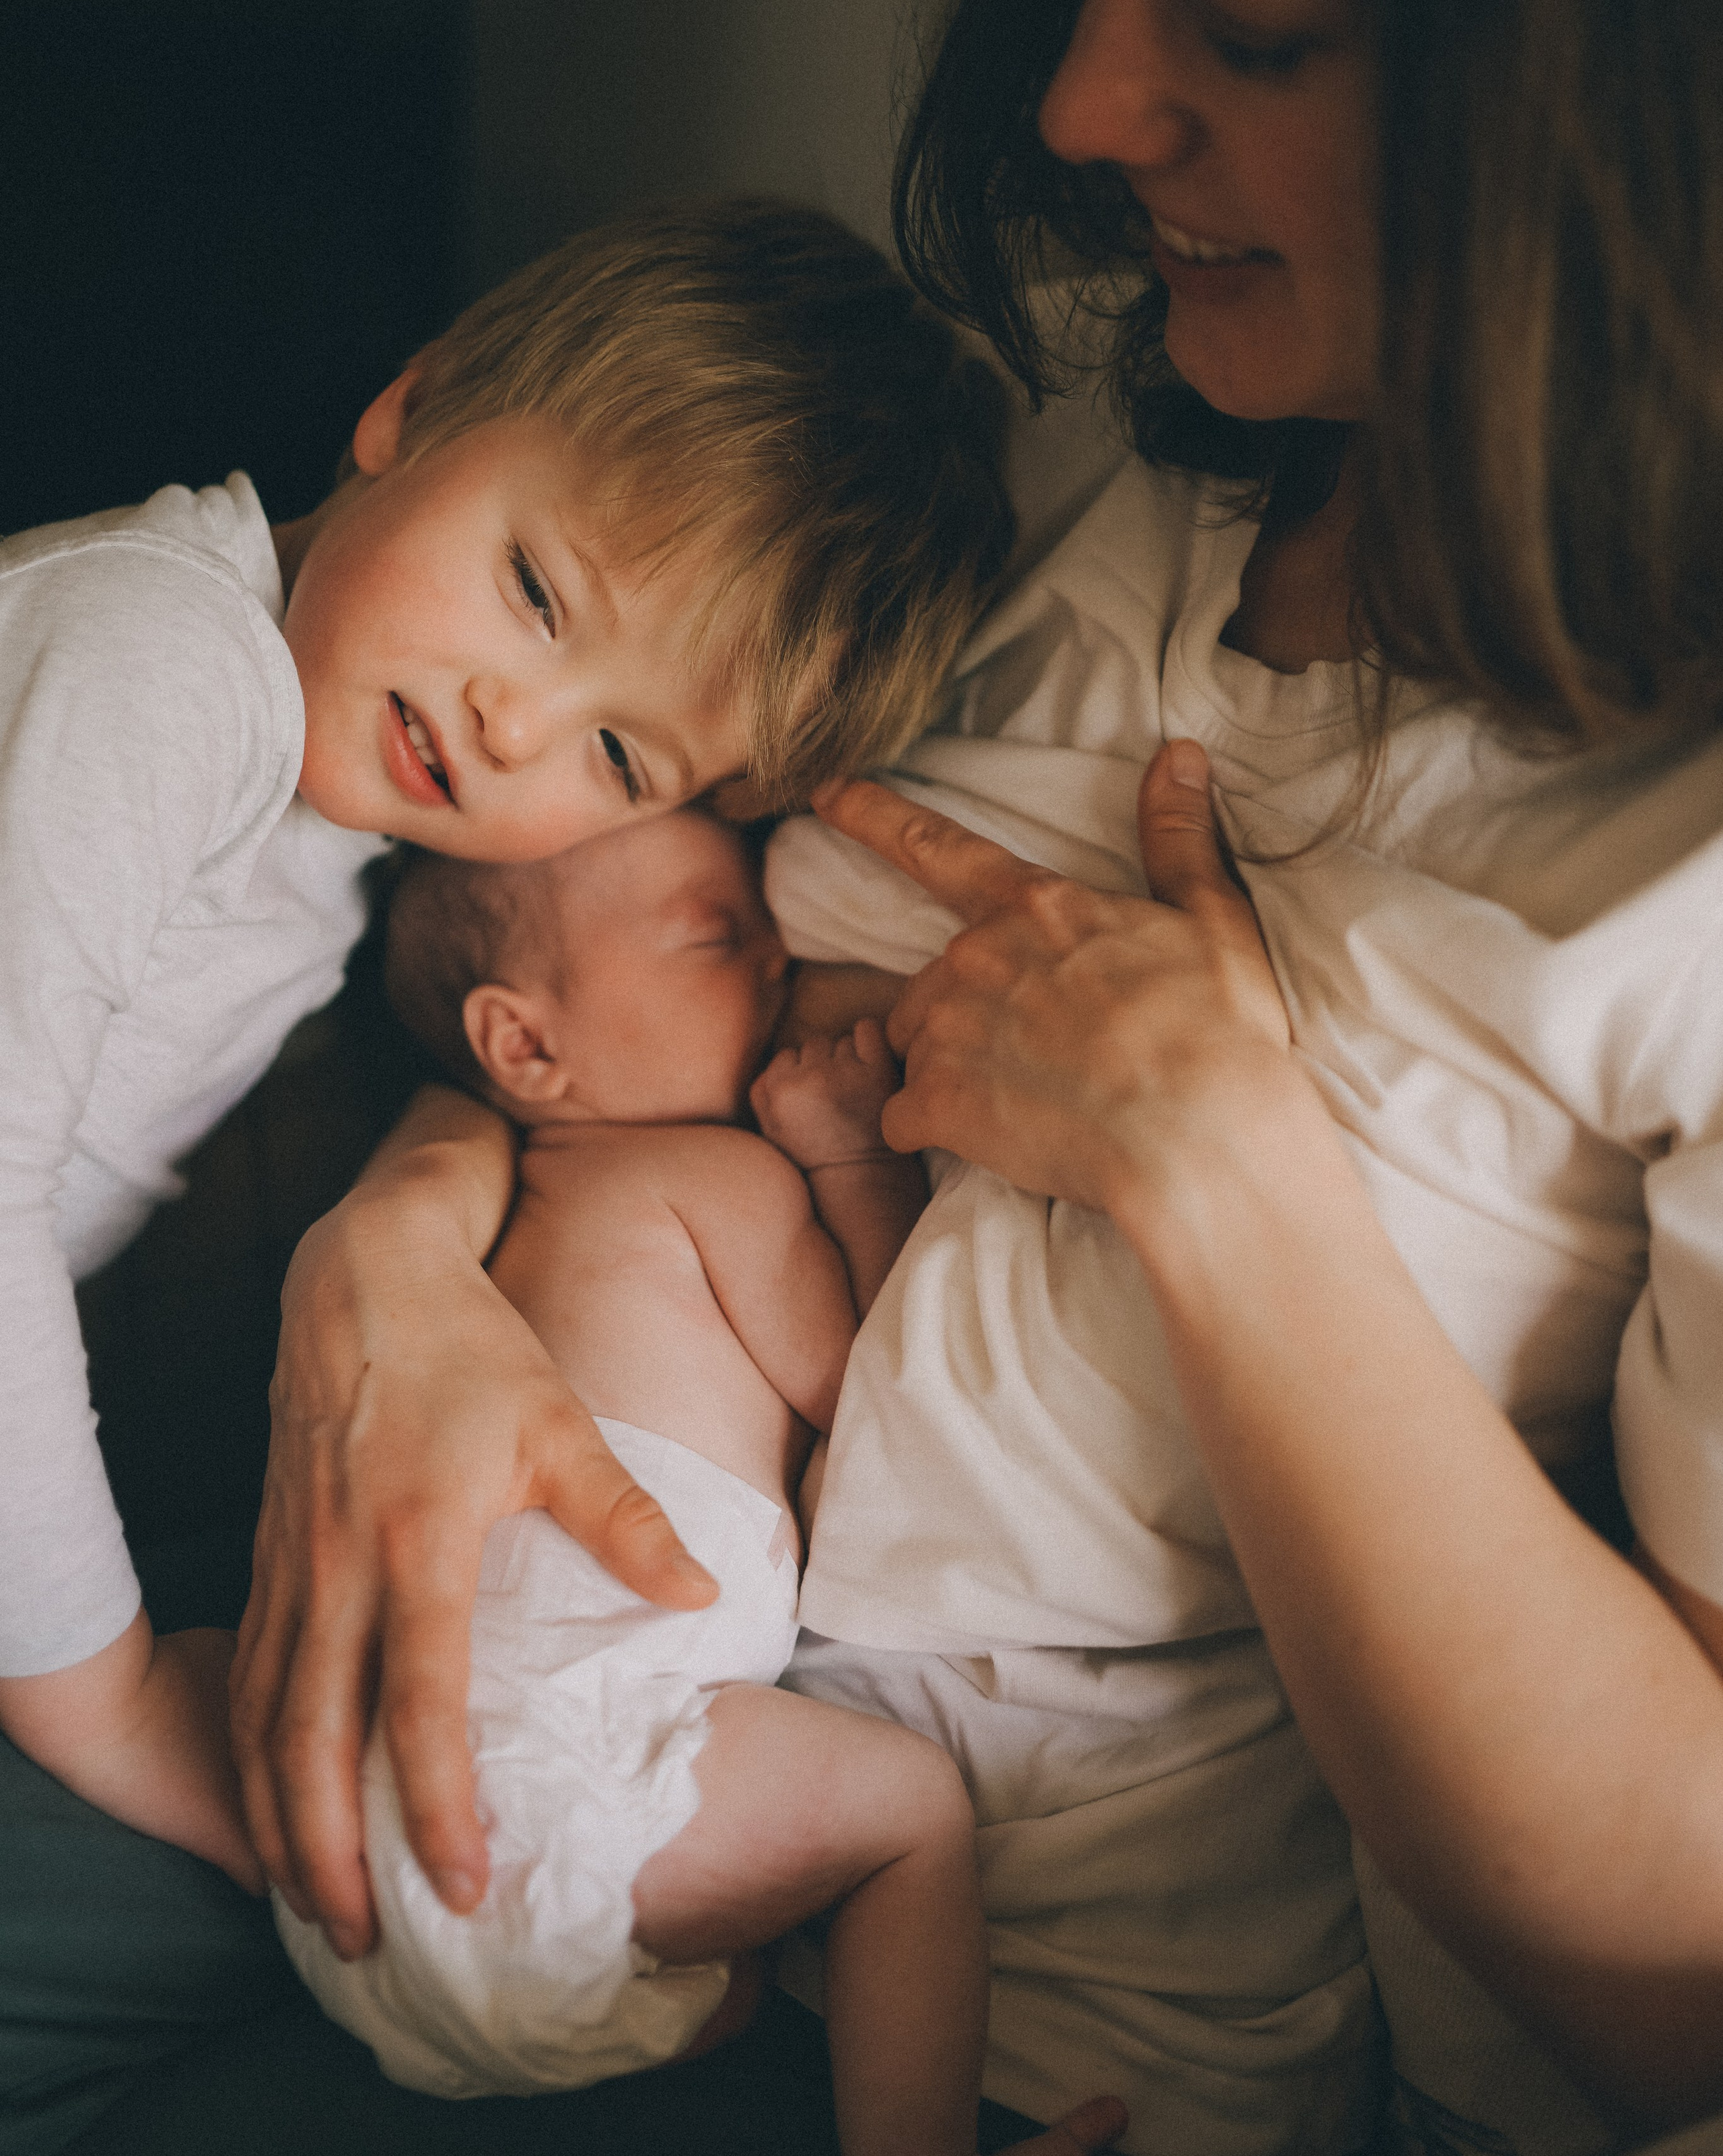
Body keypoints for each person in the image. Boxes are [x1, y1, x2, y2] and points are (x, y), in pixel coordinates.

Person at [175, 2, 1723, 2153]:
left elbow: (1691, 1986)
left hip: (1036, 2030)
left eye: (1256, 37)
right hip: (586, 1738)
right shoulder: (1085, 464)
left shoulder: (1684, 866)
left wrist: (1219, 1162)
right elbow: (574, 933)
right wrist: (410, 1246)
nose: (1085, 112)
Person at [0, 200, 1010, 2156]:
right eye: (540, 592)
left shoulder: (319, 788)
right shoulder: (159, 666)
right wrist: (107, 1697)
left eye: (625, 757)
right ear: (416, 404)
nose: (513, 724)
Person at [278, 810, 1123, 2156]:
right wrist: (848, 1160)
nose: (777, 959)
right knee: (911, 1816)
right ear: (522, 1043)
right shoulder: (707, 1177)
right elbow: (874, 1387)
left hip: (360, 1836)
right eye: (713, 940)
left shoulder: (503, 1213)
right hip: (577, 1774)